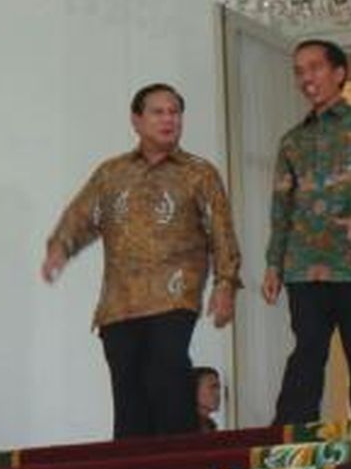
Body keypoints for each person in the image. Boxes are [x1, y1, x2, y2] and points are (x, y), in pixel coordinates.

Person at [41, 83, 242, 439]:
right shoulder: (112, 172)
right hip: (119, 303)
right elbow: (83, 215)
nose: (169, 120)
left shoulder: (199, 172)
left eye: (175, 112)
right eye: (158, 112)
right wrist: (60, 247)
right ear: (137, 120)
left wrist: (225, 283)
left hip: (174, 294)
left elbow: (221, 231)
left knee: (168, 376)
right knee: (129, 393)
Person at [261, 39, 351, 424]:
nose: (306, 78)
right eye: (299, 71)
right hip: (304, 265)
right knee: (308, 348)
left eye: (315, 68)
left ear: (339, 73)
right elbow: (281, 206)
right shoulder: (292, 140)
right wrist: (273, 263)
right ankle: (287, 430)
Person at [192, 366, 221, 432]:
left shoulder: (210, 425)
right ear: (195, 390)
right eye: (212, 387)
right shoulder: (184, 427)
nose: (218, 393)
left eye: (218, 387)